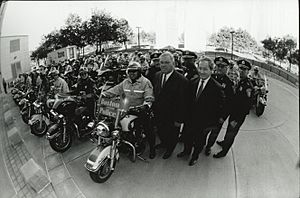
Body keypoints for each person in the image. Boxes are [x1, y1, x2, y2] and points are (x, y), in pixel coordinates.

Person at [102, 62, 156, 159]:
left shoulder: (145, 82)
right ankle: (123, 143)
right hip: (127, 109)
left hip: (140, 110)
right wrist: (105, 94)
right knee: (117, 124)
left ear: (139, 72)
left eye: (134, 71)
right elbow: (116, 89)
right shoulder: (125, 82)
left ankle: (152, 149)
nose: (132, 73)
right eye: (130, 71)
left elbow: (149, 97)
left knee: (148, 128)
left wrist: (145, 105)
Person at [177, 56, 224, 166]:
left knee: (199, 141)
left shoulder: (217, 88)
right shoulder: (193, 81)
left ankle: (195, 156)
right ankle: (186, 151)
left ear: (211, 70)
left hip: (203, 123)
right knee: (187, 138)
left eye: (205, 69)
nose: (202, 72)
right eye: (200, 68)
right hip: (190, 119)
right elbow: (187, 101)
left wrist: (212, 124)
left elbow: (218, 108)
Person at [214, 59, 253, 158]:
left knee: (231, 133)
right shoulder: (240, 81)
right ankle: (224, 142)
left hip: (237, 116)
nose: (241, 71)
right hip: (233, 112)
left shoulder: (248, 85)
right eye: (240, 68)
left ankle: (224, 152)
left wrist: (237, 119)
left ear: (248, 71)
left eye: (244, 69)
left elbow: (247, 106)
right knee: (228, 131)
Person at [153, 51, 189, 159]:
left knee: (172, 135)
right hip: (159, 113)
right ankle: (164, 143)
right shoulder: (157, 75)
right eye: (161, 62)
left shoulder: (182, 80)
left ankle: (169, 149)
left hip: (173, 116)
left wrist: (179, 119)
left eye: (166, 62)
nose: (163, 65)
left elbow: (183, 102)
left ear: (173, 64)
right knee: (161, 132)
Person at [203, 57, 235, 156]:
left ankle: (208, 147)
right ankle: (201, 144)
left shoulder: (229, 83)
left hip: (218, 115)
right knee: (203, 132)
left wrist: (223, 117)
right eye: (218, 66)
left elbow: (230, 103)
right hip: (207, 112)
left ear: (227, 68)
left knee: (214, 134)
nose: (219, 68)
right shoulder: (209, 77)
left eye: (222, 66)